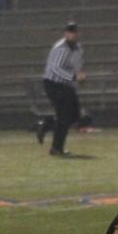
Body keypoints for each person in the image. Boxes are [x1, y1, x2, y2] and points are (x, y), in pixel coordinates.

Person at [41, 21, 85, 155]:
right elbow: (55, 68)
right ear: (65, 33)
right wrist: (73, 77)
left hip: (65, 84)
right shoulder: (60, 47)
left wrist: (79, 76)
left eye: (73, 32)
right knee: (64, 115)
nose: (71, 35)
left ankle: (48, 125)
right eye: (69, 32)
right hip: (53, 84)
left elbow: (76, 65)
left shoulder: (77, 48)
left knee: (74, 115)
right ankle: (56, 147)